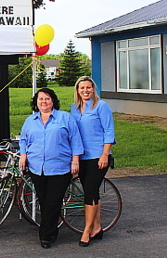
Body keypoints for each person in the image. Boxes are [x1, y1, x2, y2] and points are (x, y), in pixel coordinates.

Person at [19, 88, 83, 249]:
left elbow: (75, 139)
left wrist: (75, 161)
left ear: (53, 101)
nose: (44, 102)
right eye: (40, 99)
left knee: (53, 202)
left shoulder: (65, 118)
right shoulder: (30, 120)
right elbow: (24, 140)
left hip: (60, 168)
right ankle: (52, 231)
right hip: (36, 168)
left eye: (47, 99)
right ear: (36, 102)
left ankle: (45, 236)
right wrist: (23, 155)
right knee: (44, 200)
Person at [70, 76, 116, 247]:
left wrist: (105, 154)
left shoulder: (101, 106)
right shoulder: (74, 108)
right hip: (82, 156)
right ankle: (97, 227)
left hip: (98, 156)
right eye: (82, 88)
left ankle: (87, 230)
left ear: (93, 89)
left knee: (89, 192)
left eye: (88, 87)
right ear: (77, 90)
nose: (85, 91)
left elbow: (109, 131)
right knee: (92, 192)